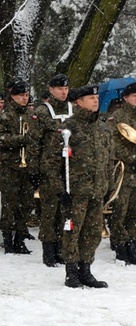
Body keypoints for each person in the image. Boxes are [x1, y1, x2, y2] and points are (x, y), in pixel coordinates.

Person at [58, 85, 110, 288]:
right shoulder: (69, 128)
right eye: (90, 98)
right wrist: (60, 189)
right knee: (73, 230)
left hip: (97, 189)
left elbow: (108, 158)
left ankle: (86, 269)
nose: (95, 101)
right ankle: (71, 271)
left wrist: (109, 186)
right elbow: (54, 161)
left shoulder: (103, 127)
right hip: (77, 189)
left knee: (93, 231)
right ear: (78, 102)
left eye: (96, 97)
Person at [30, 73, 73, 267]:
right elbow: (34, 142)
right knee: (50, 210)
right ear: (51, 90)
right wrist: (34, 169)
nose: (63, 92)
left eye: (65, 89)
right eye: (59, 89)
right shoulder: (42, 111)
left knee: (66, 211)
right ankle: (49, 250)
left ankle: (62, 249)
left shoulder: (74, 109)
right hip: (49, 168)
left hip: (70, 168)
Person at [0, 80, 35, 254]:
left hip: (27, 166)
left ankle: (21, 238)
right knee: (10, 204)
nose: (24, 99)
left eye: (26, 95)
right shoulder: (4, 116)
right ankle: (8, 239)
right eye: (21, 95)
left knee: (25, 204)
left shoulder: (32, 116)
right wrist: (20, 139)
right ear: (13, 96)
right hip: (10, 166)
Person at [107, 82, 136, 264]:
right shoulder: (117, 117)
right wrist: (132, 157)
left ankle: (132, 242)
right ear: (125, 98)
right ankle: (120, 245)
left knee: (134, 210)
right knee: (121, 209)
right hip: (123, 170)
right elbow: (112, 145)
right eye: (134, 96)